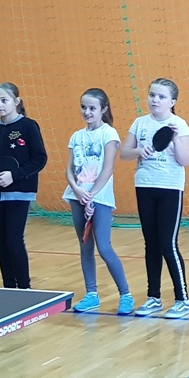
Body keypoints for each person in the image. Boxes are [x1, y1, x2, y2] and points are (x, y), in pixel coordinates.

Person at [121, 78, 189, 319]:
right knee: (150, 244)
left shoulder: (179, 125)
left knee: (167, 244)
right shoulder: (140, 123)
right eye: (152, 95)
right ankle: (153, 297)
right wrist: (138, 151)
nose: (155, 100)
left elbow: (185, 160)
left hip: (170, 188)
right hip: (144, 186)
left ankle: (182, 299)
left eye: (161, 96)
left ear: (172, 102)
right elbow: (124, 153)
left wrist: (175, 139)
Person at [63, 88, 133, 314]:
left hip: (99, 197)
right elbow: (69, 170)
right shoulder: (77, 136)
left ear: (103, 109)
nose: (87, 112)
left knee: (104, 247)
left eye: (92, 108)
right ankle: (91, 294)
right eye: (83, 107)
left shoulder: (109, 134)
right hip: (77, 196)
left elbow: (107, 168)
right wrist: (77, 190)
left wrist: (91, 195)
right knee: (85, 246)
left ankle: (126, 295)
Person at [0, 82, 48, 290]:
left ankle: (24, 288)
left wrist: (14, 176)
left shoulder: (28, 126)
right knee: (1, 241)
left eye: (4, 100)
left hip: (19, 193)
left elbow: (39, 158)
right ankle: (8, 287)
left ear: (16, 101)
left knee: (14, 239)